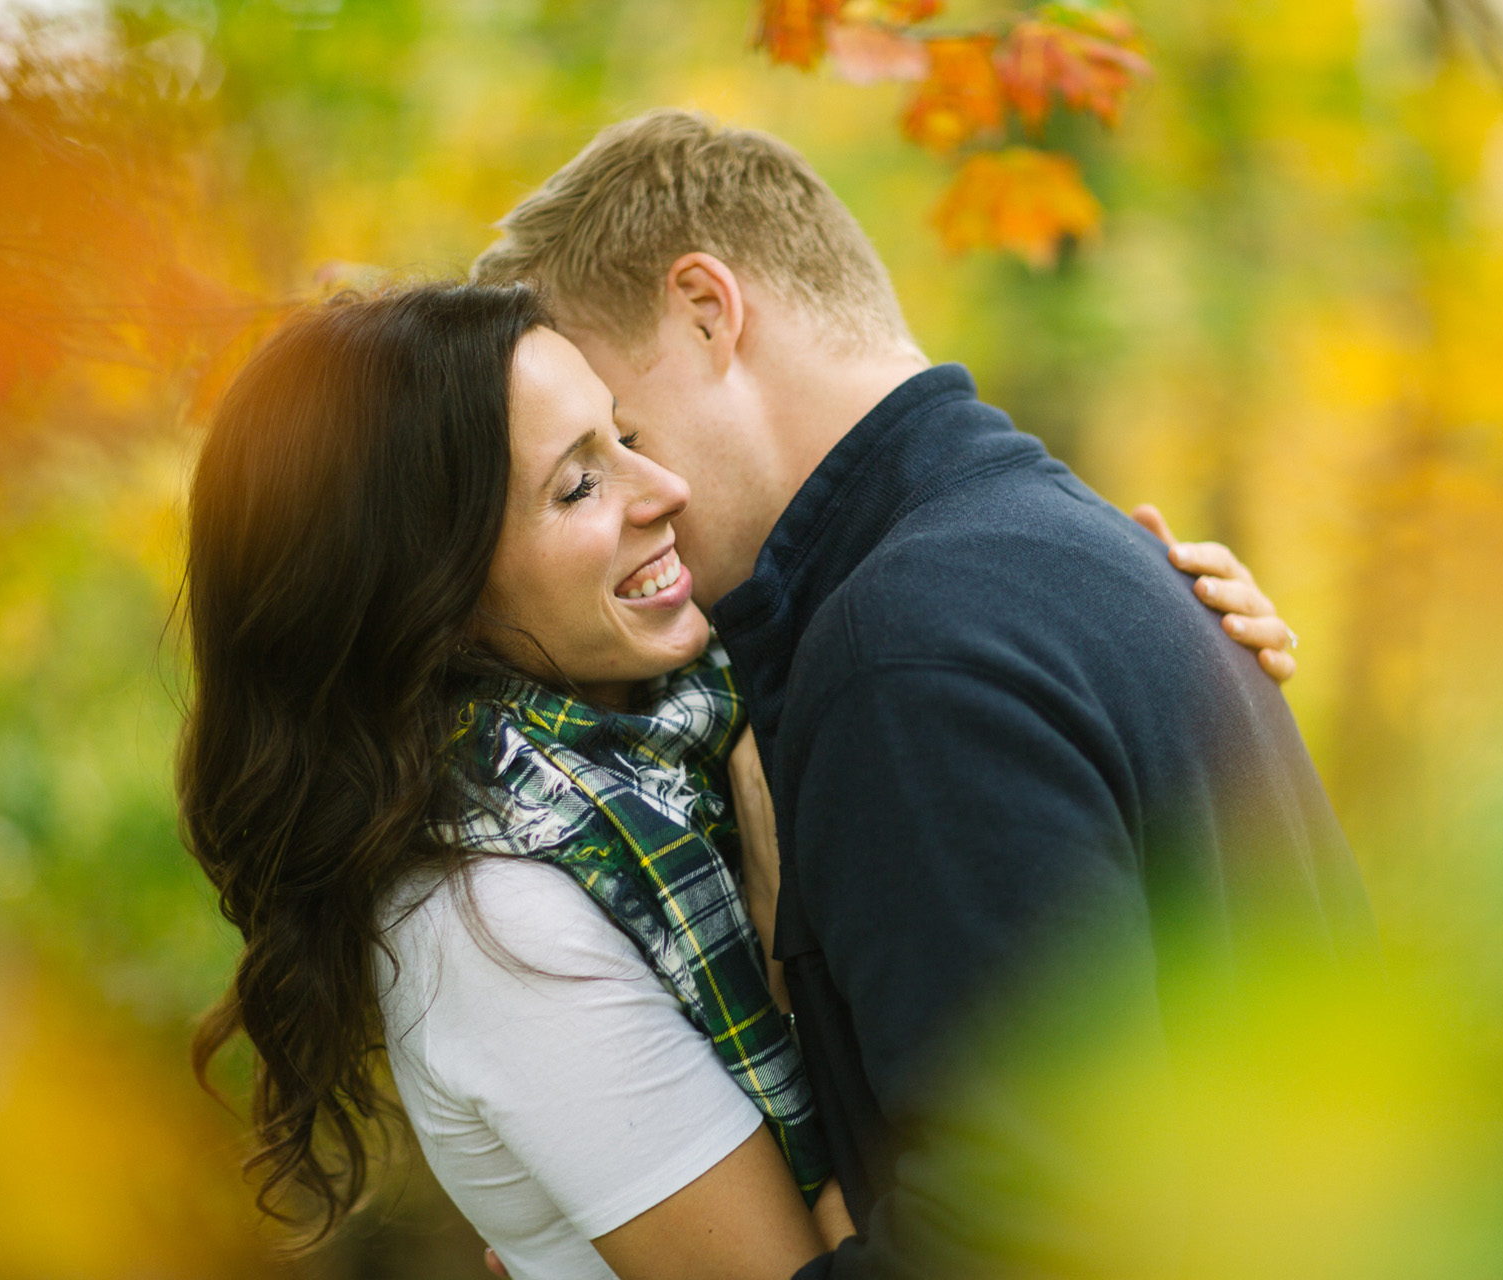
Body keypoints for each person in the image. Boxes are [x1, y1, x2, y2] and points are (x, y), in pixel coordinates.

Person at [180, 284, 1293, 1280]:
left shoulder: (705, 728)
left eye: (623, 433)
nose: (660, 485)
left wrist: (1135, 629)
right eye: (578, 483)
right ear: (428, 589)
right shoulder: (486, 919)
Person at [470, 109, 1376, 1279]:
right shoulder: (1065, 554)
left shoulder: (910, 650)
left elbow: (1027, 1242)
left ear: (709, 310)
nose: (637, 495)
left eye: (625, 434)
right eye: (586, 472)